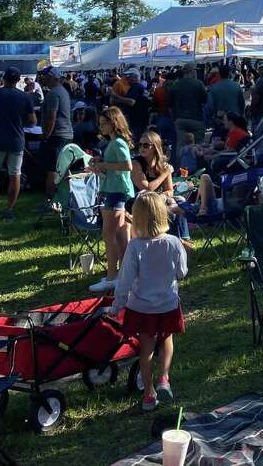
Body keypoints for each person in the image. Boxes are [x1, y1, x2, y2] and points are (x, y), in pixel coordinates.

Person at [111, 191, 188, 411]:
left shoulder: (135, 246)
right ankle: (164, 378)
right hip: (167, 303)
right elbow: (182, 272)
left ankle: (148, 393)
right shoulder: (174, 242)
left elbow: (125, 279)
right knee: (166, 341)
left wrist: (118, 304)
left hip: (141, 306)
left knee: (146, 350)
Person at [88, 107, 135, 293]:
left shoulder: (118, 143)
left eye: (103, 123)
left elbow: (127, 166)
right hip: (115, 189)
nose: (101, 127)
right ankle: (123, 273)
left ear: (114, 123)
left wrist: (104, 164)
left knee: (109, 235)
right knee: (120, 234)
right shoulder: (115, 143)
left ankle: (112, 276)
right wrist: (100, 163)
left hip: (117, 191)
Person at [0, 67, 36, 221]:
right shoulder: (24, 97)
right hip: (16, 141)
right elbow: (33, 121)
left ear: (3, 79)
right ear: (18, 80)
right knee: (15, 175)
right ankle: (9, 209)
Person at [36, 67, 73, 209]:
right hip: (66, 134)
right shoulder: (63, 91)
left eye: (45, 76)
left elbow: (52, 116)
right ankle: (67, 198)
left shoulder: (53, 94)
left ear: (52, 77)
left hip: (56, 135)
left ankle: (49, 202)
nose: (43, 79)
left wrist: (46, 135)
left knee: (52, 169)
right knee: (63, 169)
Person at [167, 63, 208, 156]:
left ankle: (181, 167)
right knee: (199, 145)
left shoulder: (175, 85)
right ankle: (197, 166)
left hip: (180, 119)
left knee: (181, 146)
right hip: (196, 119)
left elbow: (169, 106)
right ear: (192, 71)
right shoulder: (199, 84)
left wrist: (174, 119)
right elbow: (205, 100)